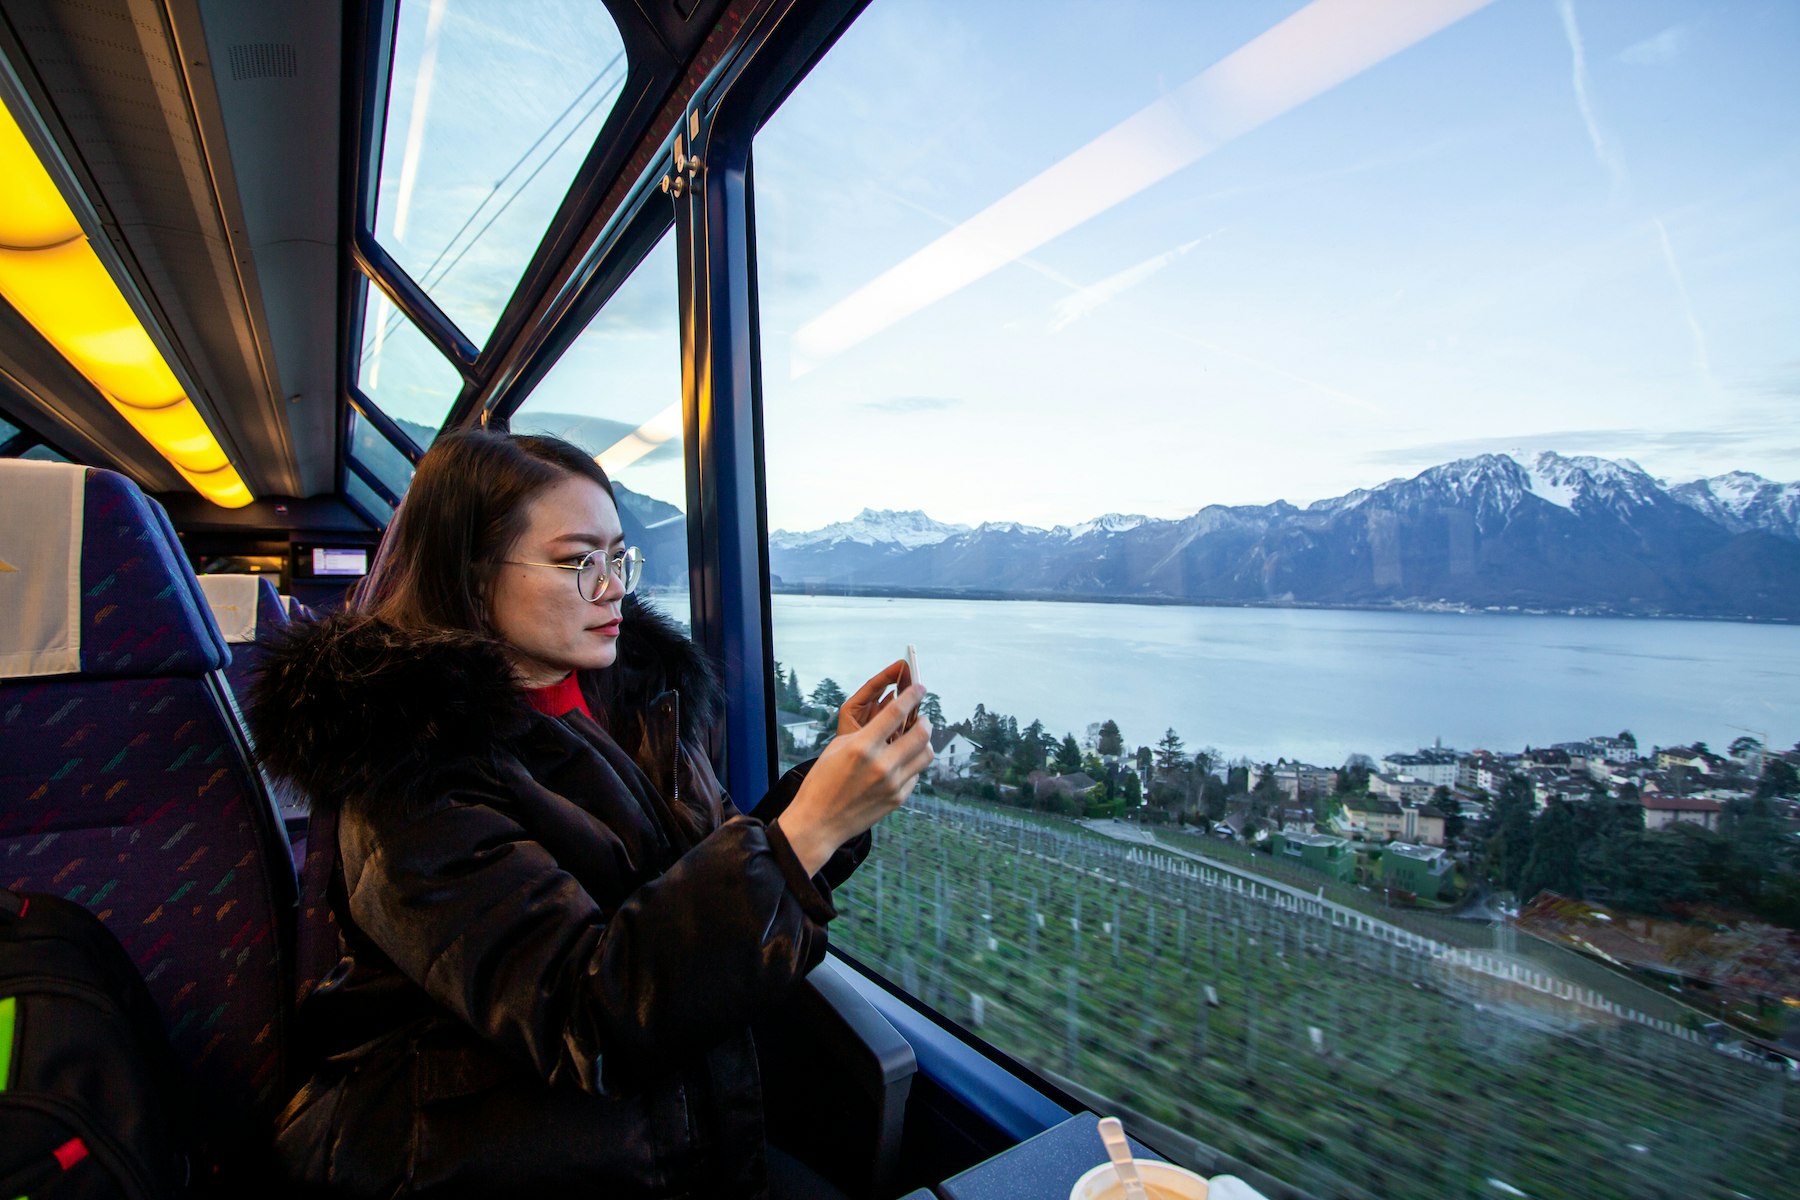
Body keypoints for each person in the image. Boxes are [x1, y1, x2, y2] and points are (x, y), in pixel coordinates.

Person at [249, 429, 931, 1198]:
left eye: (618, 559)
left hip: (676, 1126)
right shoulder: (407, 777)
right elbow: (589, 1017)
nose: (611, 588)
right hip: (507, 1158)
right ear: (473, 575)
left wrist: (825, 795)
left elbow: (697, 882)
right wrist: (814, 828)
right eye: (578, 562)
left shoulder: (627, 699)